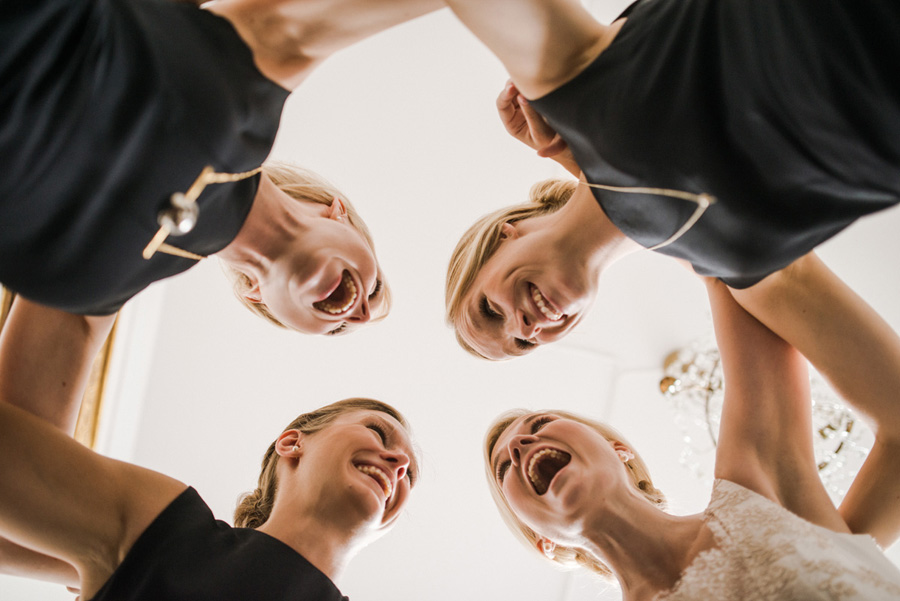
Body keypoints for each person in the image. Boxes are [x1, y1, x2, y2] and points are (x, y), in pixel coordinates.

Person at [442, 0, 900, 359]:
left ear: (504, 236)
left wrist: (572, 144)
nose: (523, 328)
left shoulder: (574, 93)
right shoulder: (734, 278)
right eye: (523, 344)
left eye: (490, 309)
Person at [1, 0, 443, 337]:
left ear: (256, 297)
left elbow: (20, 444)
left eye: (340, 332)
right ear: (337, 212)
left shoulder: (101, 302)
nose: (360, 315)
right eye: (376, 286)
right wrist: (517, 67)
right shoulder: (258, 90)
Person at [483, 277, 900, 600]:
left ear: (618, 449)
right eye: (503, 468)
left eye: (539, 424)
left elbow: (726, 272)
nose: (518, 447)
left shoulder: (756, 489)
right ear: (544, 545)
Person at [0, 396, 418, 599]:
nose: (399, 463)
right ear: (292, 443)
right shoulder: (168, 529)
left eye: (410, 476)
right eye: (378, 432)